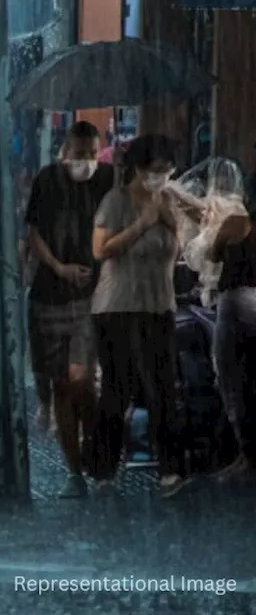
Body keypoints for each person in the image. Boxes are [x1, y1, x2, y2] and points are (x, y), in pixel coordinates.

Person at [89, 133, 188, 497]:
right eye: (156, 170)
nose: (161, 176)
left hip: (159, 304)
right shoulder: (116, 201)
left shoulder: (168, 200)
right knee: (118, 389)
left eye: (167, 170)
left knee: (163, 389)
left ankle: (171, 471)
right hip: (118, 306)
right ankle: (103, 469)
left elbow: (183, 245)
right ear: (139, 168)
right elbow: (101, 250)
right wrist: (142, 223)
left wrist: (169, 217)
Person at [24, 120, 114, 498]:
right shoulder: (47, 180)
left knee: (82, 378)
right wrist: (59, 267)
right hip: (51, 293)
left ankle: (98, 457)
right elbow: (33, 233)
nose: (87, 162)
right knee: (64, 385)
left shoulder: (109, 178)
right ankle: (75, 471)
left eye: (92, 154)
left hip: (92, 296)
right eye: (79, 155)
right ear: (64, 153)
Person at [207, 206, 256, 481]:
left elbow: (212, 255)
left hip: (236, 303)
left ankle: (246, 456)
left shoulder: (236, 222)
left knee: (233, 382)